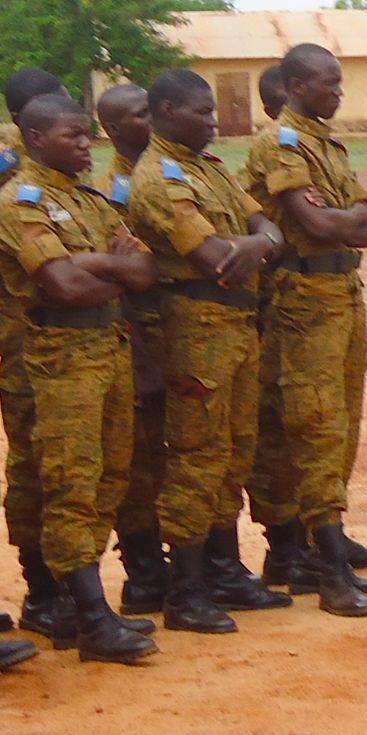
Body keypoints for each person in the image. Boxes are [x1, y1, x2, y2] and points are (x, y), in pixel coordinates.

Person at [129, 70, 296, 634]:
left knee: (234, 450)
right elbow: (213, 257)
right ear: (167, 111)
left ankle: (226, 570)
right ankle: (188, 588)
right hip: (195, 328)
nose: (214, 120)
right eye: (202, 112)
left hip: (238, 325)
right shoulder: (158, 176)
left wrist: (255, 243)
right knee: (197, 455)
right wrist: (257, 244)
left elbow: (269, 231)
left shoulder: (212, 169)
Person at [0, 95, 162, 663]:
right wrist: (108, 266)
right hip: (62, 359)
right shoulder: (21, 201)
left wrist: (91, 263)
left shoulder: (88, 199)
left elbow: (146, 270)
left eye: (87, 134)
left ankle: (83, 609)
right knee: (71, 483)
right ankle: (89, 616)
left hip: (109, 349)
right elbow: (62, 288)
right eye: (72, 135)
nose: (85, 143)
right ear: (35, 138)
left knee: (110, 477)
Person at [241, 43, 367, 617]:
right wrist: (342, 220)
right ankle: (326, 566)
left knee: (343, 419)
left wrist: (342, 221)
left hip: (341, 293)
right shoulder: (281, 142)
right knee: (314, 424)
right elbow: (315, 221)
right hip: (301, 300)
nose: (340, 91)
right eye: (330, 82)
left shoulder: (325, 144)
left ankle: (312, 547)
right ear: (297, 85)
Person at [94, 82, 177, 617]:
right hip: (139, 333)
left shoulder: (170, 172)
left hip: (175, 329)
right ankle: (144, 573)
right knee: (140, 461)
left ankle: (167, 564)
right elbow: (124, 271)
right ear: (113, 129)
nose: (150, 121)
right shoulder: (117, 190)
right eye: (139, 114)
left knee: (173, 455)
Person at [1, 68, 70, 644]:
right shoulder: (14, 179)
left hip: (41, 335)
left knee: (57, 464)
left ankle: (59, 589)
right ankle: (43, 591)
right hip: (19, 339)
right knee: (32, 465)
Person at [1, 69, 68, 187]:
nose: (68, 116)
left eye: (69, 106)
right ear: (18, 120)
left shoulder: (72, 145)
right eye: (54, 113)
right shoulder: (6, 158)